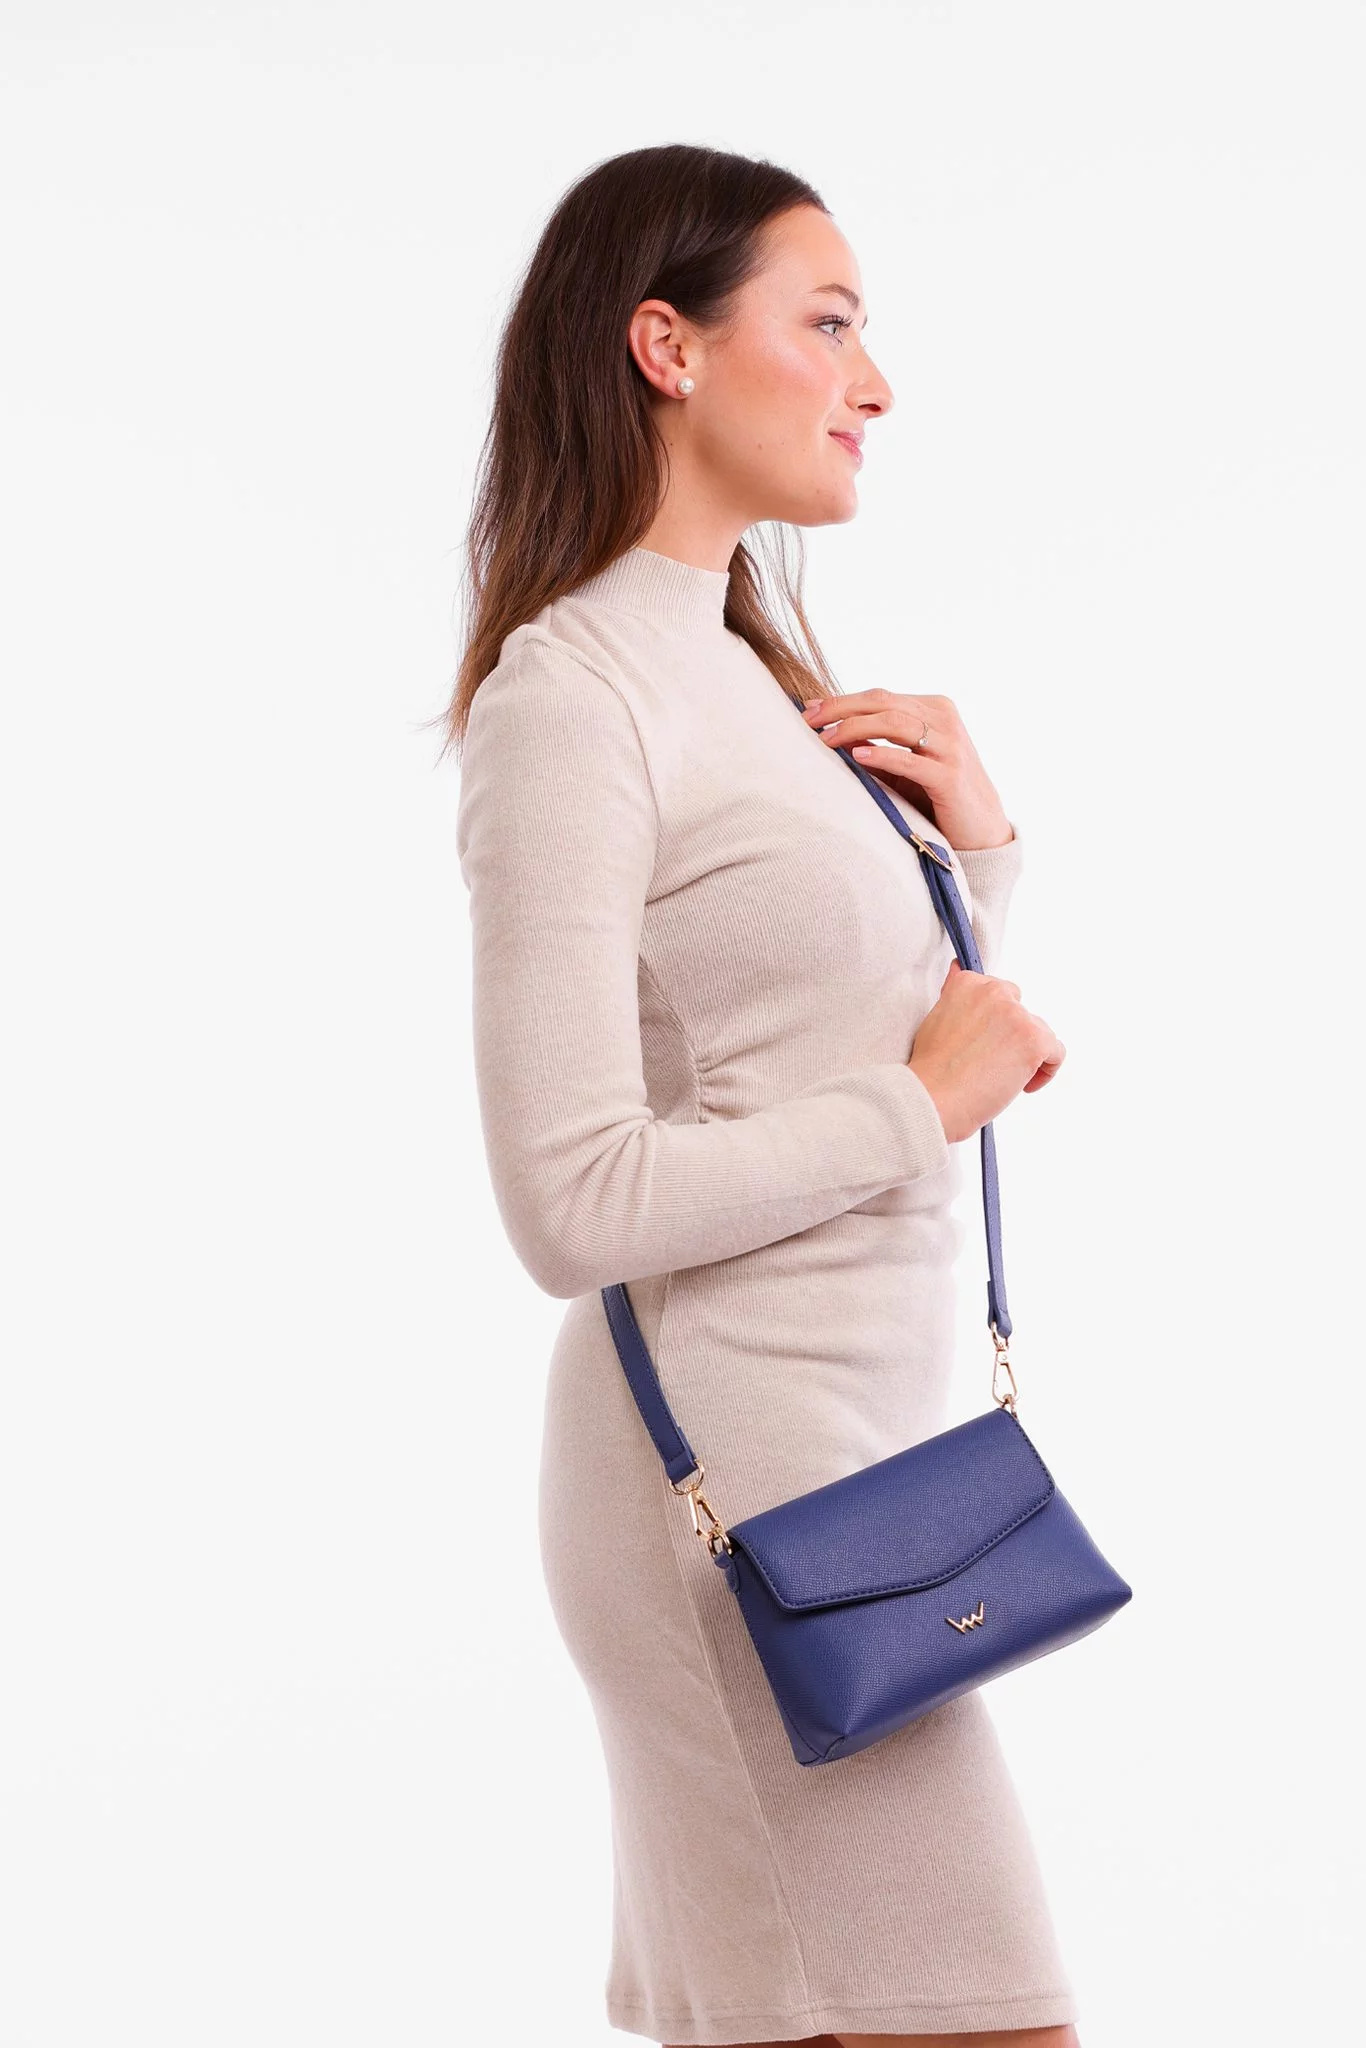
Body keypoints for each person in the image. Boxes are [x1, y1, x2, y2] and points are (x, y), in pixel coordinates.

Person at [442, 141, 1076, 2048]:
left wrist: (976, 864)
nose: (875, 381)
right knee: (983, 2017)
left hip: (852, 1461)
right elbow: (570, 1199)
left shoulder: (743, 669)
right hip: (733, 1494)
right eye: (830, 323)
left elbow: (806, 1029)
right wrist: (922, 1111)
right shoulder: (573, 696)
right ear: (669, 347)